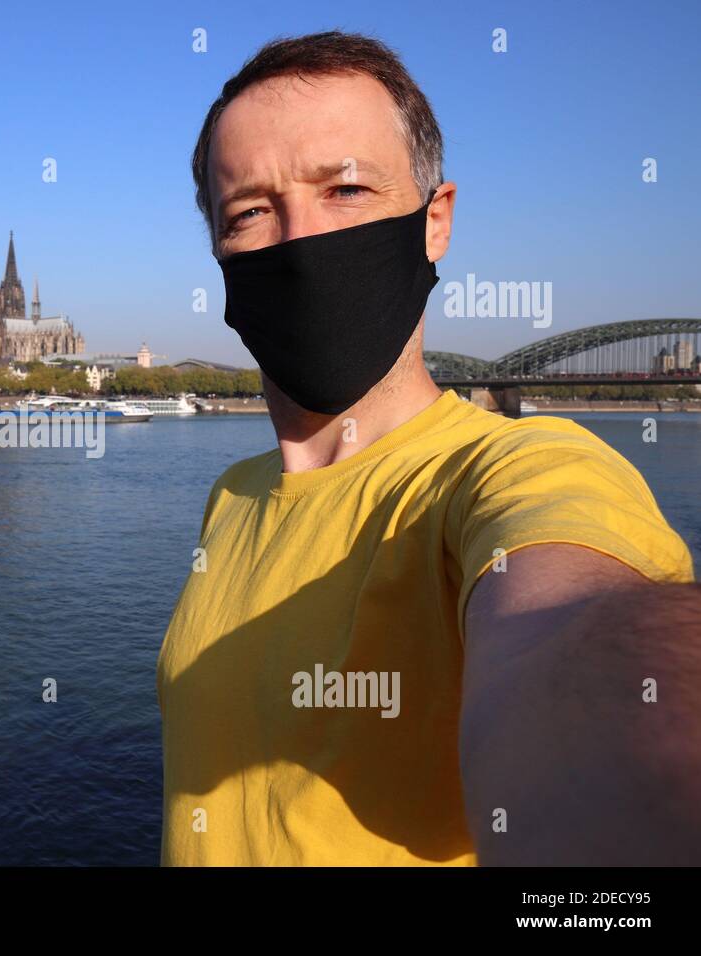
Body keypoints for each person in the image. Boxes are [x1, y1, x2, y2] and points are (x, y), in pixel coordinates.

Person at [158, 31, 700, 866]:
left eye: (345, 189)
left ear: (434, 221)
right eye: (251, 211)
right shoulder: (232, 493)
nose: (300, 239)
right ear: (221, 252)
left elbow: (567, 624)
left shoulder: (513, 469)